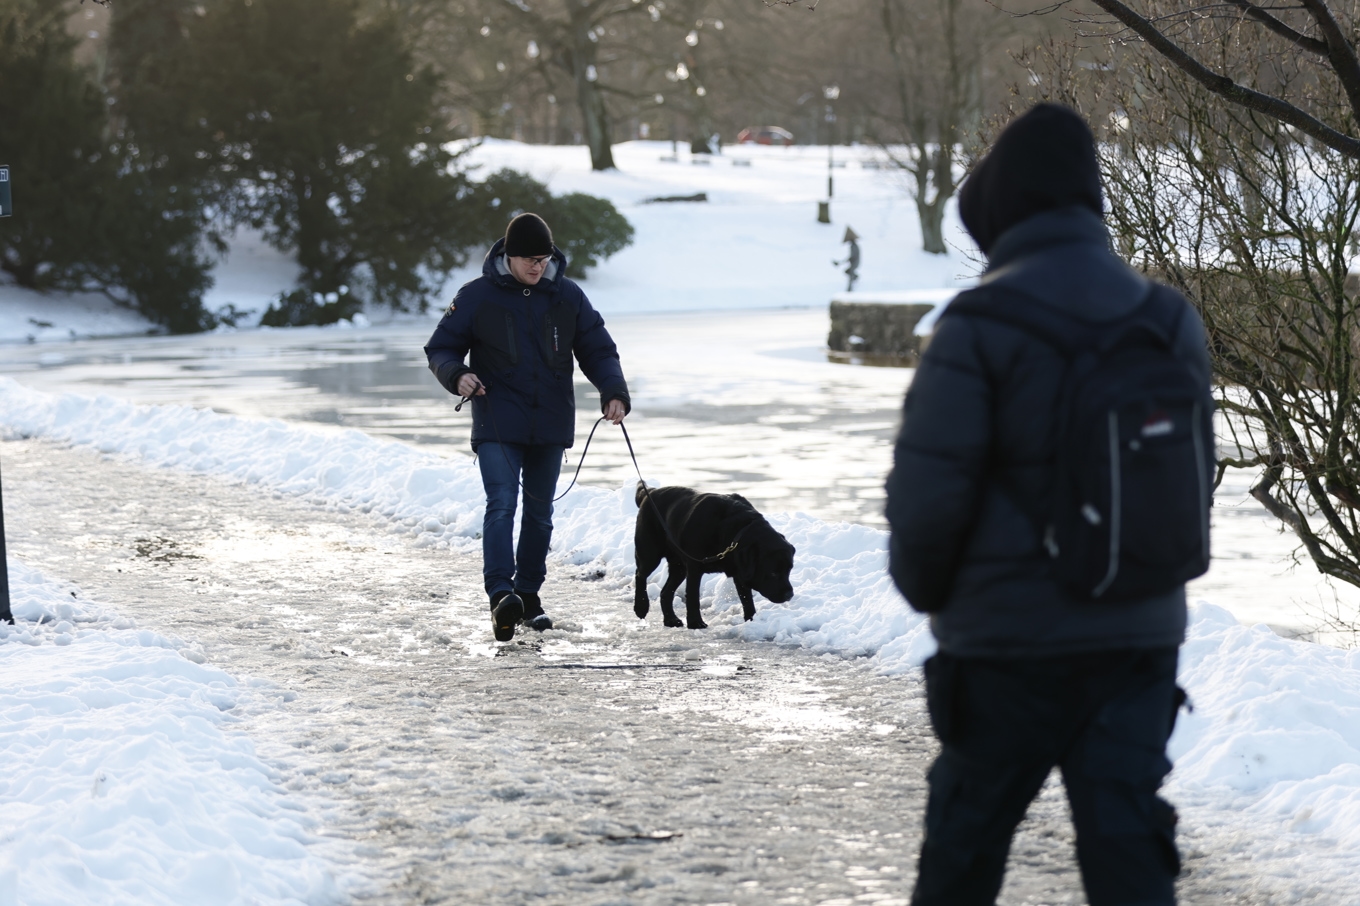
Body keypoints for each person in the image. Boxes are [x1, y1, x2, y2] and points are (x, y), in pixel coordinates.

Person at [884, 104, 1213, 906]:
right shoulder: (1167, 317)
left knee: (963, 852)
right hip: (1138, 637)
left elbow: (928, 498)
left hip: (1006, 647)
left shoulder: (978, 325)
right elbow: (1190, 481)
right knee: (1129, 850)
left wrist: (935, 596)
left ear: (1004, 216)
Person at [425, 213, 630, 641]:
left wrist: (613, 391)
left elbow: (597, 348)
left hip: (551, 423)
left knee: (540, 514)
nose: (537, 267)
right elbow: (441, 347)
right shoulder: (478, 296)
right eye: (529, 259)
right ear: (508, 256)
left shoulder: (567, 296)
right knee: (502, 503)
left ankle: (527, 597)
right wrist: (457, 375)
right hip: (497, 420)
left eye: (544, 258)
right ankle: (501, 595)